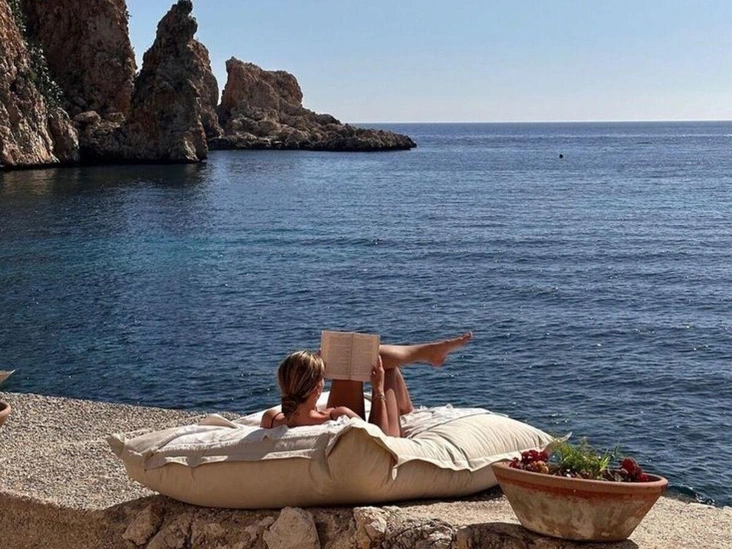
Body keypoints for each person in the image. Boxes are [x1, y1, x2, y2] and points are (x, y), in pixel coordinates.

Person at [260, 332, 473, 437]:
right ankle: (426, 358)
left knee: (352, 363)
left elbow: (298, 415)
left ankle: (428, 353)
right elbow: (378, 438)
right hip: (387, 438)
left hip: (309, 411)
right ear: (317, 388)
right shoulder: (337, 415)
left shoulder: (271, 419)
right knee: (386, 368)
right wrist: (378, 388)